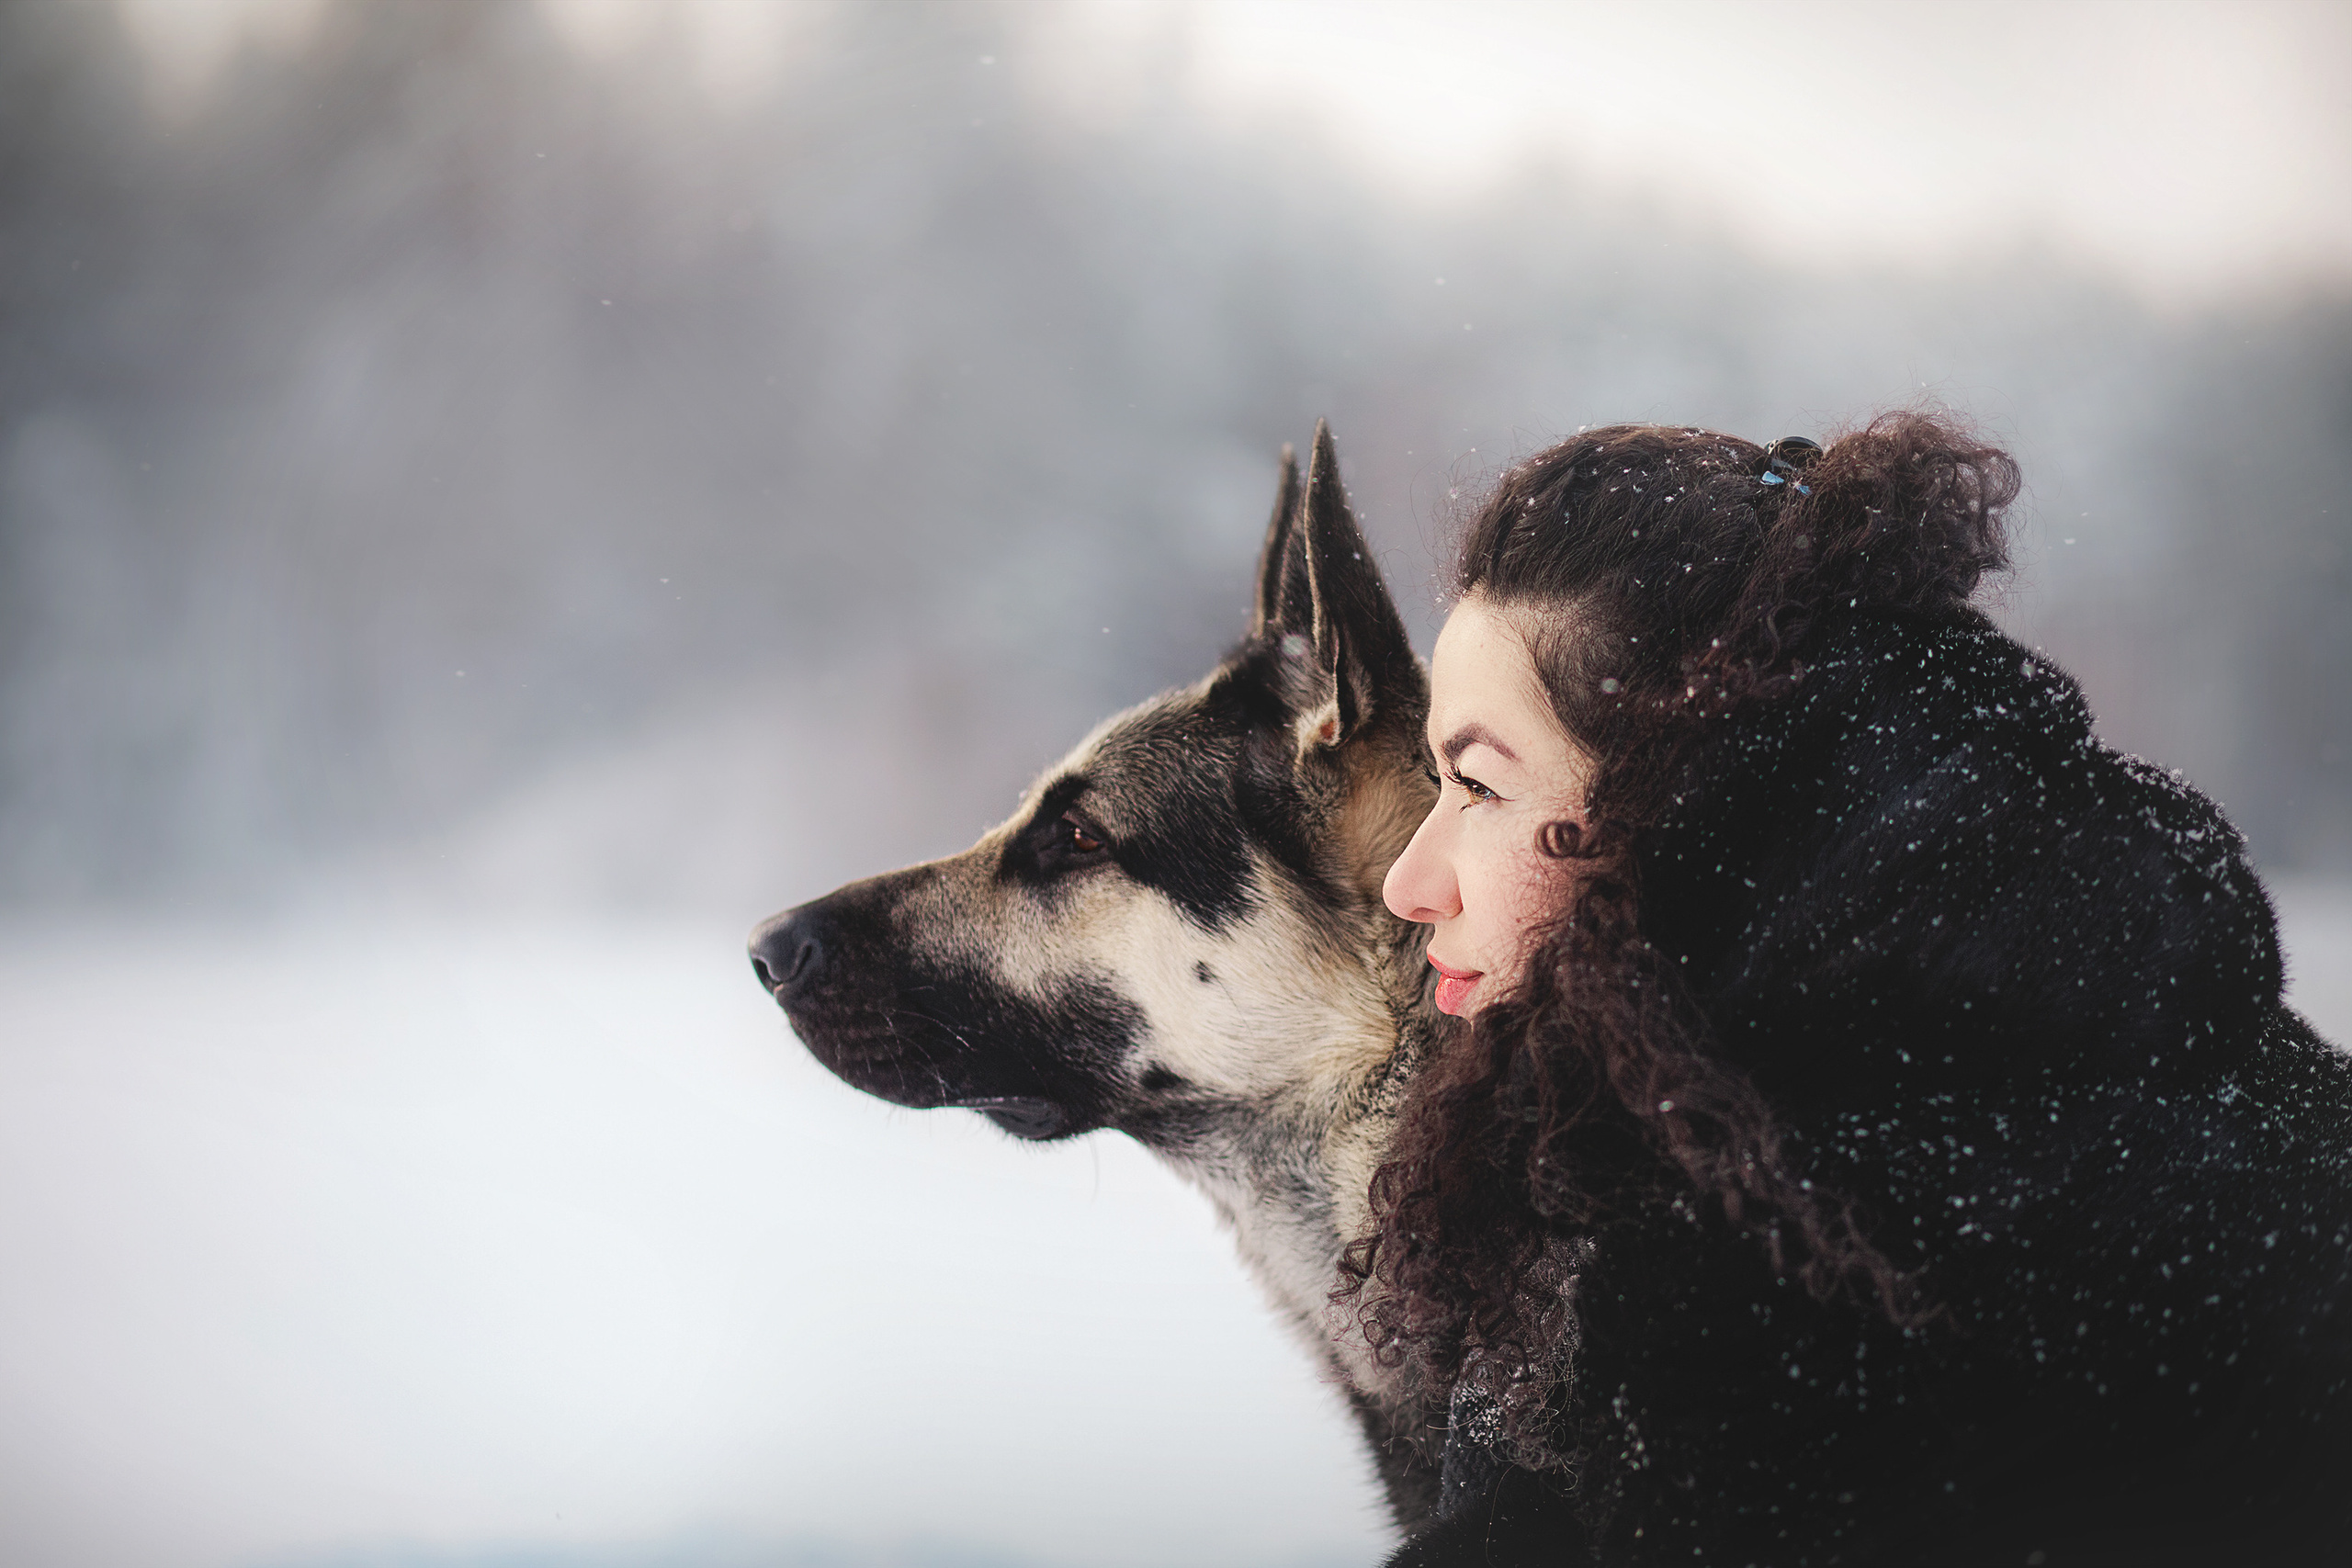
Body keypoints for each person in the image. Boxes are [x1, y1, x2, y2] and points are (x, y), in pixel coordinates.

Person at [1351, 413, 2352, 1565]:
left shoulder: (1799, 1305)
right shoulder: (2148, 1054)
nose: (1408, 882)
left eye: (1478, 785)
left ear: (1681, 805)